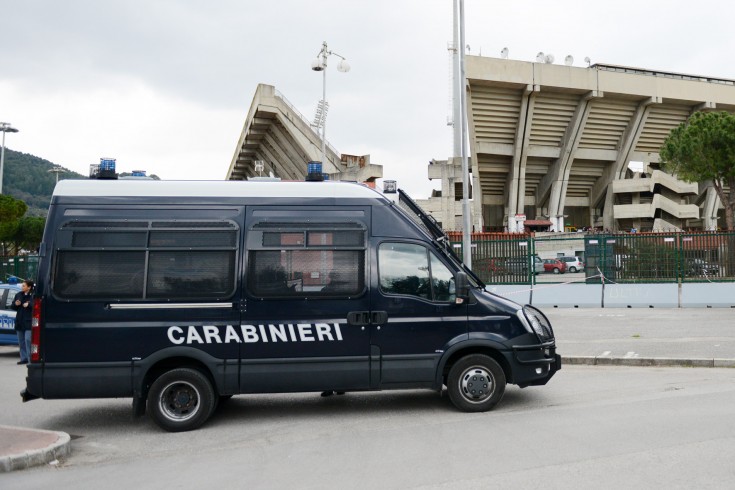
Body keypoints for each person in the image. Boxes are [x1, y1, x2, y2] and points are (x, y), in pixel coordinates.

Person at [12, 279, 34, 365]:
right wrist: (15, 304)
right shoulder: (18, 295)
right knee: (21, 342)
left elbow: (36, 305)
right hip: (20, 322)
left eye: (24, 286)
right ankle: (23, 358)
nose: (22, 287)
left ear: (29, 287)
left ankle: (30, 359)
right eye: (22, 285)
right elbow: (13, 306)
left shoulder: (33, 295)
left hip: (29, 322)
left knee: (28, 340)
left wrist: (29, 305)